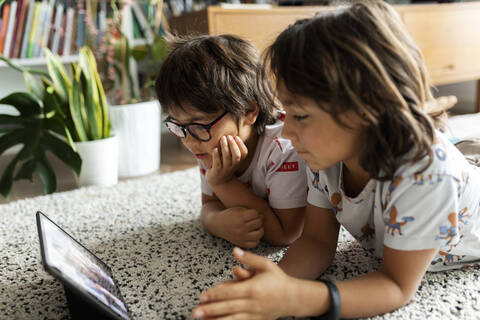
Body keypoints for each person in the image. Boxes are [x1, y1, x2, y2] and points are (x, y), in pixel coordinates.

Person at [192, 1, 480, 319]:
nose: (285, 133)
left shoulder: (429, 172)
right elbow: (315, 240)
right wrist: (268, 288)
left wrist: (297, 299)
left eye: (300, 115)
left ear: (367, 108)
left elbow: (396, 286)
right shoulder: (326, 158)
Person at [155, 34, 307, 248]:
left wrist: (223, 182)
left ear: (248, 111)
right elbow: (209, 206)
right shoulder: (206, 142)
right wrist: (217, 222)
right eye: (178, 125)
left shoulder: (285, 149)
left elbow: (286, 233)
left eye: (199, 124)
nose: (188, 140)